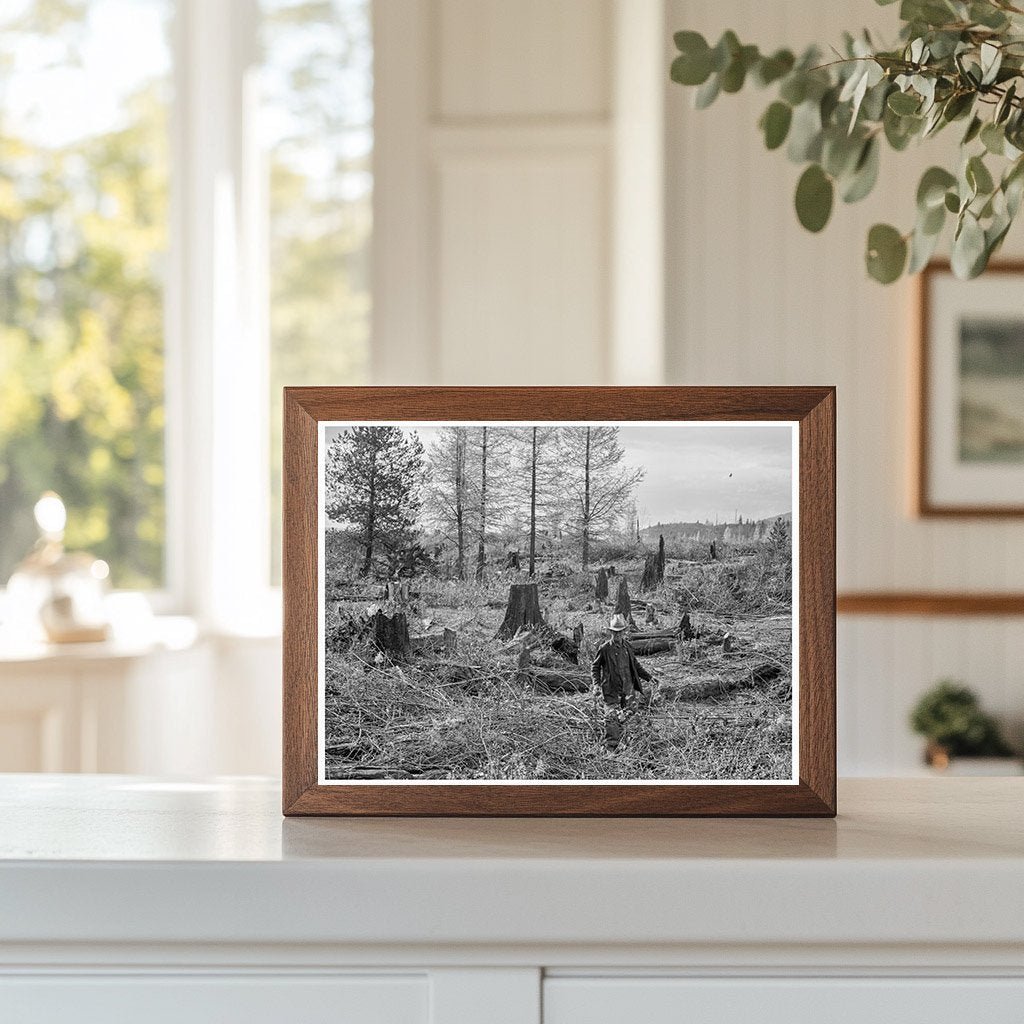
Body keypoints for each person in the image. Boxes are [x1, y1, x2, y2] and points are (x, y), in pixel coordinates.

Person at [591, 613, 653, 752]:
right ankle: (611, 749)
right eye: (615, 632)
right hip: (611, 690)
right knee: (611, 718)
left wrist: (650, 678)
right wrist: (596, 684)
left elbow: (636, 666)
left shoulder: (628, 647)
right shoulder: (605, 648)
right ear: (611, 632)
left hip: (628, 690)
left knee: (629, 716)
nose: (618, 635)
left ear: (624, 632)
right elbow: (595, 667)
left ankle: (627, 744)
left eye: (620, 632)